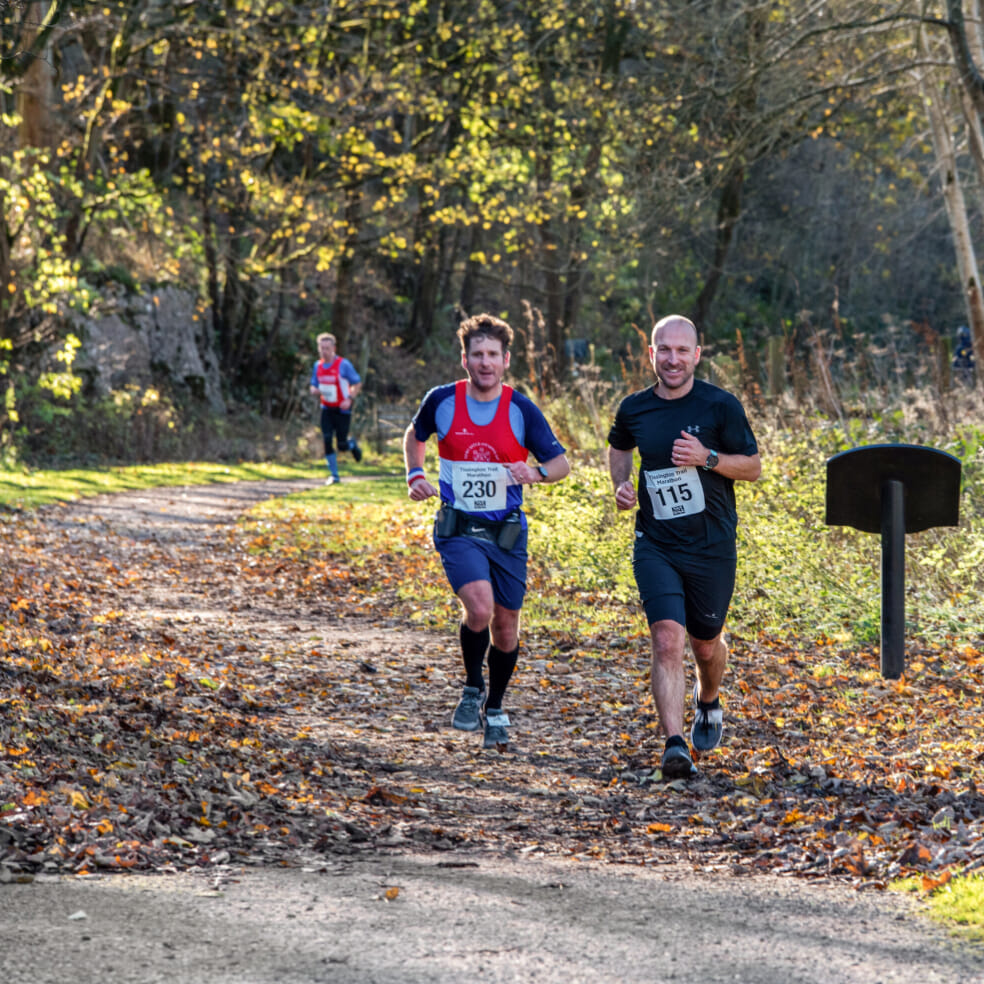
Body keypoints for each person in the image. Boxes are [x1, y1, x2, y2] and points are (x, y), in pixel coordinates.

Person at [404, 313, 570, 749]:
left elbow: (561, 465)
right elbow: (414, 434)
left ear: (505, 359)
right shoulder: (442, 400)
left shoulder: (520, 408)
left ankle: (494, 706)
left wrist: (533, 473)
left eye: (492, 354)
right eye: (477, 354)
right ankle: (472, 686)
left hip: (507, 532)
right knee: (479, 608)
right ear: (464, 359)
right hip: (459, 527)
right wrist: (415, 473)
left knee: (507, 626)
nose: (485, 362)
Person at [607, 315, 761, 780]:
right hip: (656, 542)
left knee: (705, 644)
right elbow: (619, 447)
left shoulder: (720, 406)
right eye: (663, 350)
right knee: (667, 639)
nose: (672, 359)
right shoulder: (634, 408)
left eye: (681, 350)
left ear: (696, 355)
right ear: (651, 354)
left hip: (712, 545)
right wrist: (621, 483)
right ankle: (675, 745)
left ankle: (708, 700)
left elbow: (752, 467)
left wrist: (707, 458)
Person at [310, 332, 363, 484]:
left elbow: (357, 383)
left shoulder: (343, 365)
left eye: (327, 348)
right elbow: (313, 384)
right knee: (326, 439)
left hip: (342, 409)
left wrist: (349, 399)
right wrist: (314, 390)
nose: (324, 351)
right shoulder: (317, 366)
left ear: (334, 348)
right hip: (326, 408)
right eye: (321, 348)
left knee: (341, 445)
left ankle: (351, 445)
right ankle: (334, 475)